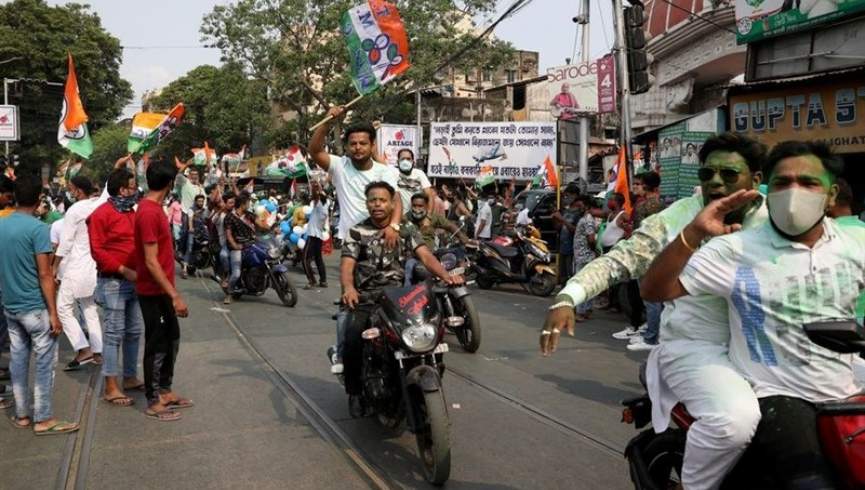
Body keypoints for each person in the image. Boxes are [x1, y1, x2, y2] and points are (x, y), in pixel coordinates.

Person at [540, 133, 770, 490]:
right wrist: (568, 296)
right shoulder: (677, 218)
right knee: (734, 423)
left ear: (756, 180)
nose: (715, 183)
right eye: (708, 174)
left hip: (766, 348)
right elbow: (621, 260)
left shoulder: (777, 218)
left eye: (728, 174)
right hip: (697, 349)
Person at [641, 140, 859, 488]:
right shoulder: (735, 247)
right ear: (765, 189)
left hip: (844, 385)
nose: (794, 192)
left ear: (831, 196)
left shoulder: (854, 247)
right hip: (777, 393)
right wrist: (694, 232)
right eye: (782, 183)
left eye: (808, 183)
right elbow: (655, 290)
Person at [339, 182, 462, 415]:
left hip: (400, 299)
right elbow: (347, 266)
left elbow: (426, 256)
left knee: (434, 332)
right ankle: (355, 392)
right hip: (367, 299)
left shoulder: (405, 230)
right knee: (352, 338)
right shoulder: (356, 232)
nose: (377, 204)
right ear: (367, 204)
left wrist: (446, 276)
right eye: (373, 200)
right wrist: (349, 288)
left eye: (383, 200)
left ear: (392, 203)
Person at [0, 175, 79, 434]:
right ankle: (43, 418)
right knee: (44, 364)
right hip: (35, 306)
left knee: (19, 360)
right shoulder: (37, 229)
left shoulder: (2, 225)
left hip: (11, 306)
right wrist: (54, 313)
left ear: (13, 196)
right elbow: (45, 275)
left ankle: (23, 414)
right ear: (38, 200)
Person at [134, 159, 191, 422]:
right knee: (157, 345)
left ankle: (165, 390)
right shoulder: (148, 212)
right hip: (154, 293)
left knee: (172, 339)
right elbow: (150, 260)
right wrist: (175, 294)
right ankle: (153, 399)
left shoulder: (155, 209)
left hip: (162, 292)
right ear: (169, 184)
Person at [88, 168, 144, 406]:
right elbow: (97, 251)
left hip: (135, 282)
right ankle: (111, 386)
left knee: (134, 332)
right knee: (113, 334)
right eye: (133, 187)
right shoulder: (101, 214)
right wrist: (123, 269)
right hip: (113, 281)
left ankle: (130, 376)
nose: (136, 192)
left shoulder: (132, 212)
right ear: (122, 189)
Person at [308, 106, 402, 246]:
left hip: (381, 238)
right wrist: (327, 121)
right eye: (353, 144)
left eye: (363, 143)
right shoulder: (339, 166)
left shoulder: (385, 172)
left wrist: (394, 226)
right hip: (351, 242)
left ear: (372, 146)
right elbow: (315, 151)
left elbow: (397, 201)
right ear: (346, 146)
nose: (358, 147)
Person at [54, 175, 104, 371]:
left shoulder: (74, 210)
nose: (70, 192)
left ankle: (83, 349)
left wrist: (54, 266)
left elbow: (64, 244)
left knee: (63, 309)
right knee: (89, 308)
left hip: (76, 266)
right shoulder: (98, 204)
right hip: (94, 265)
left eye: (71, 188)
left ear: (77, 191)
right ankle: (97, 351)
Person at [628, 171, 666, 352]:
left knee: (651, 299)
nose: (636, 187)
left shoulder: (647, 206)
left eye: (638, 184)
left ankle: (651, 338)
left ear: (645, 186)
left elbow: (642, 233)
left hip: (645, 255)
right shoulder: (658, 205)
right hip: (654, 255)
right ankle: (653, 334)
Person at [402, 193, 473, 286]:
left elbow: (450, 225)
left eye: (420, 206)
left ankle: (460, 279)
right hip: (414, 257)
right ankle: (407, 293)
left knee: (456, 252)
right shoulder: (406, 218)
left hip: (433, 254)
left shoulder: (433, 217)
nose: (417, 209)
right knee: (409, 266)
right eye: (414, 206)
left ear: (427, 206)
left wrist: (462, 237)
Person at [224, 192, 257, 303]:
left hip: (251, 244)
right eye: (248, 203)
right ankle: (229, 292)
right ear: (242, 204)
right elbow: (228, 234)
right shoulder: (230, 217)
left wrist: (272, 227)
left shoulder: (249, 215)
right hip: (238, 247)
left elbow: (260, 224)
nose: (249, 205)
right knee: (236, 273)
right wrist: (235, 246)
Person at [571, 196, 598, 321]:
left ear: (587, 206)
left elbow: (591, 238)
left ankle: (580, 312)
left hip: (585, 256)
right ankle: (587, 309)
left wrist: (593, 250)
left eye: (580, 205)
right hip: (584, 255)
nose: (578, 208)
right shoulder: (585, 218)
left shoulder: (587, 219)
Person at [303, 179, 330, 289]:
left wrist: (315, 188)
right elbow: (317, 197)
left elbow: (315, 196)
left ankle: (312, 281)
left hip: (313, 235)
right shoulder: (326, 206)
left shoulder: (320, 205)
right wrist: (317, 187)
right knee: (318, 259)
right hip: (318, 236)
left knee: (305, 259)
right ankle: (323, 281)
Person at [551, 186, 581, 284]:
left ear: (575, 196)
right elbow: (558, 227)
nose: (566, 198)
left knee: (570, 274)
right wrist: (556, 218)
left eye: (568, 195)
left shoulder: (579, 213)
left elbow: (576, 231)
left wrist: (562, 220)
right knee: (563, 275)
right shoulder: (565, 211)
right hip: (562, 247)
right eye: (565, 195)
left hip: (572, 249)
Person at [394, 149, 435, 214]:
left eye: (408, 159)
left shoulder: (419, 173)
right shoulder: (392, 173)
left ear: (413, 161)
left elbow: (429, 195)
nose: (405, 161)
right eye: (402, 159)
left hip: (417, 215)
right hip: (399, 216)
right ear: (398, 161)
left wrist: (428, 217)